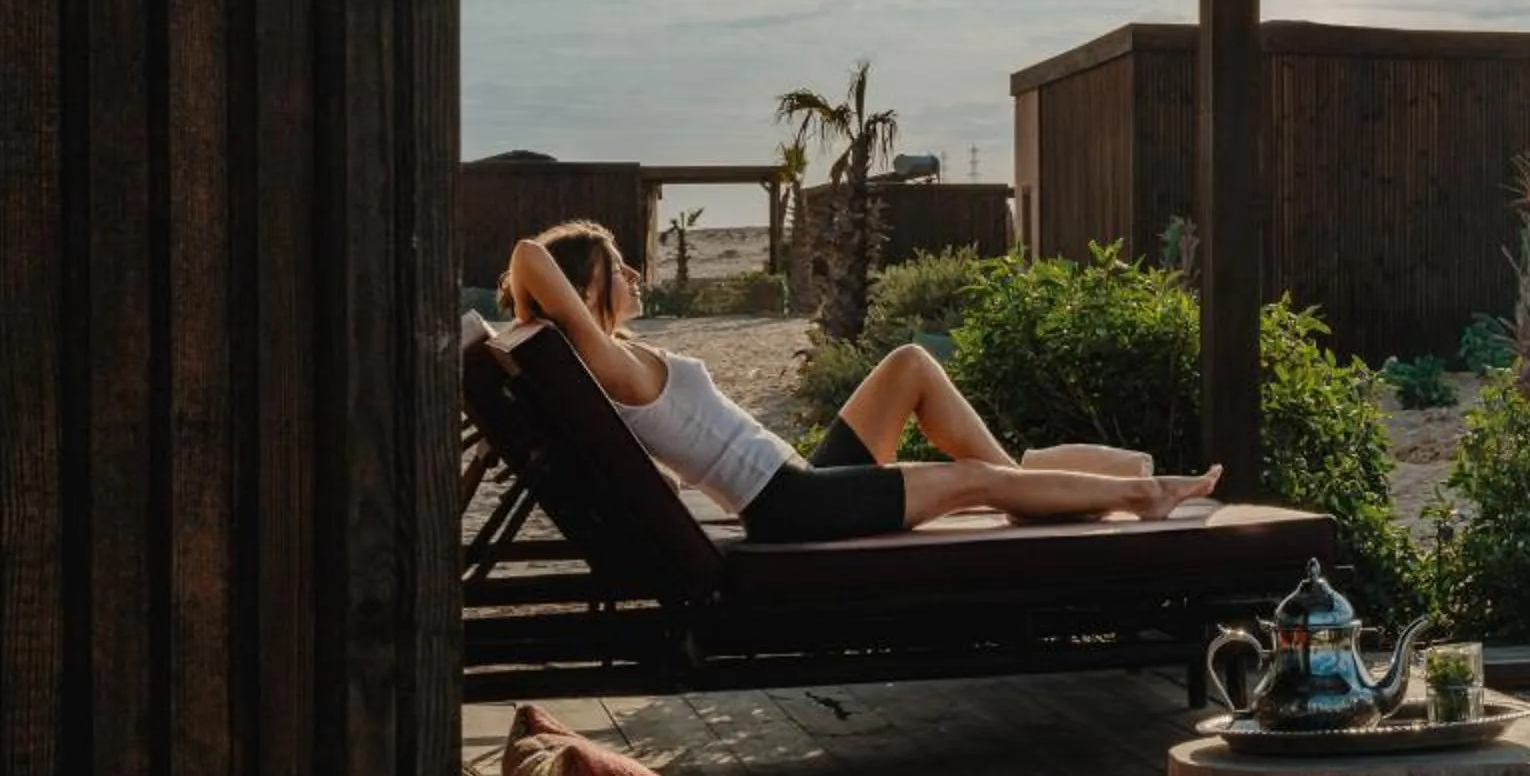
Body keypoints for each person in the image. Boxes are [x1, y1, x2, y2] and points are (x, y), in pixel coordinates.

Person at [500, 219, 1217, 543]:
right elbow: (530, 253)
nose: (632, 273)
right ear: (586, 287)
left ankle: (1033, 487)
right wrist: (543, 307)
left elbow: (537, 265)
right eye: (617, 263)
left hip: (795, 477)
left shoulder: (612, 354)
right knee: (974, 479)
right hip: (791, 505)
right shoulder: (608, 362)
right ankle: (1135, 494)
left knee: (910, 365)